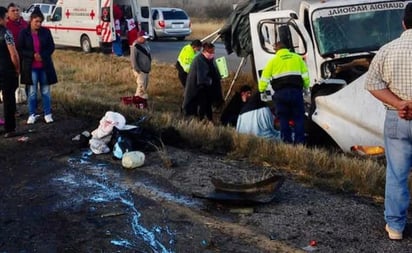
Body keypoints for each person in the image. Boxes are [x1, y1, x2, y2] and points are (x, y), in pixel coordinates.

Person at [365, 2, 412, 241]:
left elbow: (372, 84)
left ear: (404, 23)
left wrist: (399, 104)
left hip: (397, 119)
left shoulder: (387, 49)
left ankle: (395, 227)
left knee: (397, 174)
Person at [258, 41, 309, 144]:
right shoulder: (297, 58)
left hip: (281, 94)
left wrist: (261, 90)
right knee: (298, 118)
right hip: (296, 92)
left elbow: (264, 79)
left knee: (283, 118)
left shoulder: (273, 61)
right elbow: (305, 76)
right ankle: (299, 143)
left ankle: (287, 142)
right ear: (287, 48)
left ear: (276, 50)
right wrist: (306, 87)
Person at [18, 7, 57, 124]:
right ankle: (32, 114)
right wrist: (32, 55)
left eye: (40, 22)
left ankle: (47, 113)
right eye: (36, 21)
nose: (39, 24)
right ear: (31, 20)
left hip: (44, 66)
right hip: (31, 67)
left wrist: (43, 55)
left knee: (45, 91)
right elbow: (20, 49)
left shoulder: (46, 32)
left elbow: (51, 46)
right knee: (32, 92)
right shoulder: (24, 33)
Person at [183, 42, 223, 121]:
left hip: (206, 87)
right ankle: (201, 119)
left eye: (213, 52)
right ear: (204, 52)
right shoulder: (199, 60)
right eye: (211, 52)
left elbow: (214, 71)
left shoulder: (209, 59)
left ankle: (208, 119)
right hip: (199, 87)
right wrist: (211, 80)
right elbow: (201, 77)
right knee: (202, 104)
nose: (212, 54)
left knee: (207, 104)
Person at [0, 6, 20, 137]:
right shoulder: (6, 33)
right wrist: (17, 68)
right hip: (6, 70)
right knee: (8, 100)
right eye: (6, 17)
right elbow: (13, 54)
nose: (7, 20)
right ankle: (10, 129)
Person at [130, 34, 151, 101]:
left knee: (144, 86)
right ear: (139, 37)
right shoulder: (135, 46)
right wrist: (137, 70)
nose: (145, 40)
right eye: (144, 38)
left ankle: (141, 99)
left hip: (146, 70)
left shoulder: (144, 44)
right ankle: (137, 99)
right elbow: (133, 60)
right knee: (141, 86)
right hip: (140, 70)